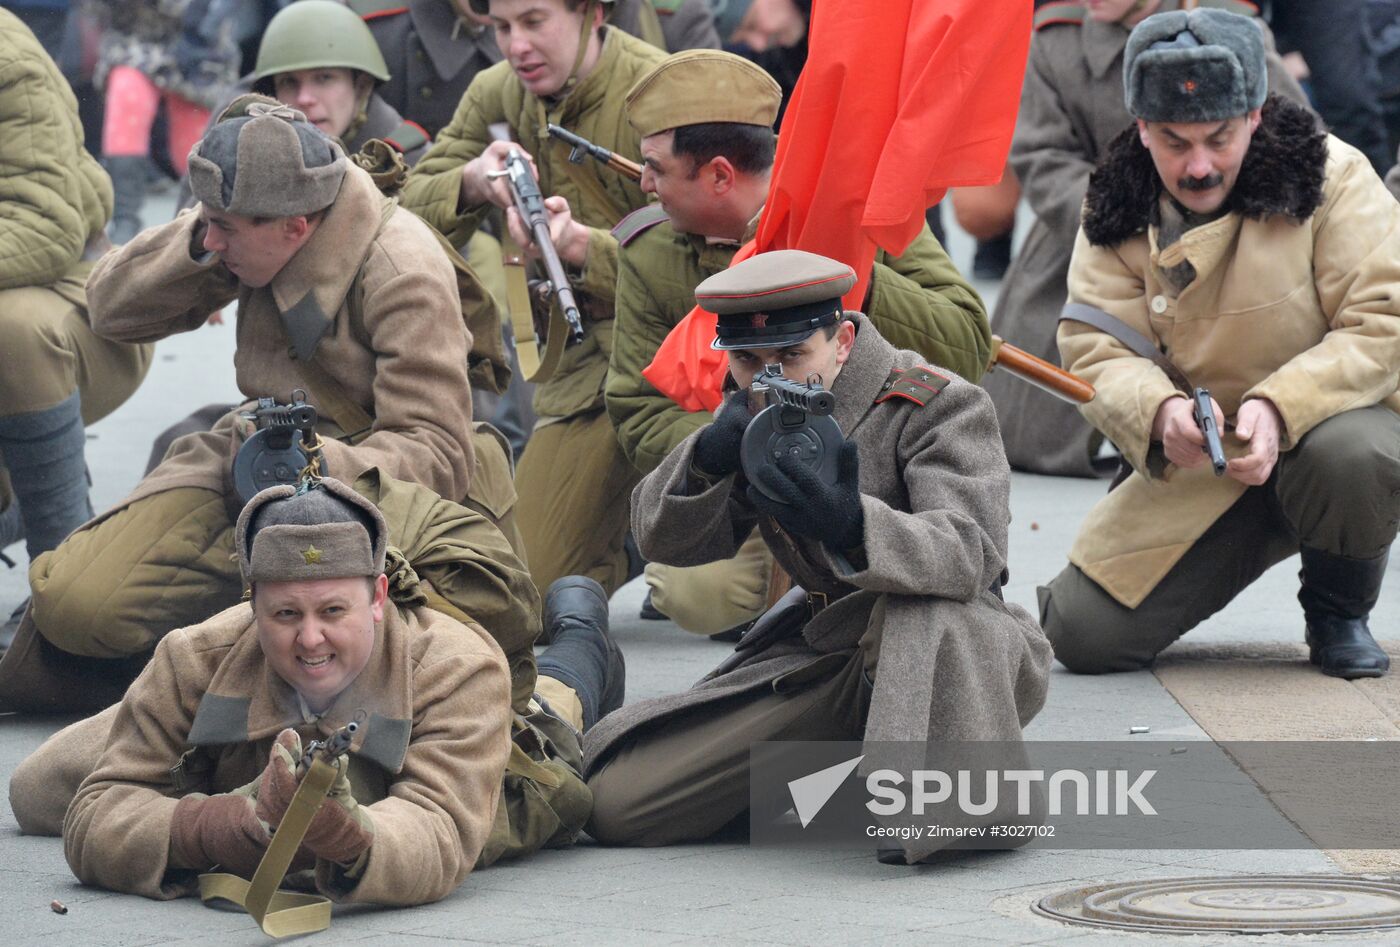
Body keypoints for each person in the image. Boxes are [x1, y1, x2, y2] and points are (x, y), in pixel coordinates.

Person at [0, 99, 486, 710]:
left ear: (295, 227)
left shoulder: (402, 268)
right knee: (71, 605)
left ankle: (221, 665)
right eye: (209, 220)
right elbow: (110, 309)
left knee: (344, 641)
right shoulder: (248, 233)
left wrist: (315, 470)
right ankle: (226, 654)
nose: (210, 238)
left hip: (367, 495)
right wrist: (205, 246)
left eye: (224, 228)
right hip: (248, 455)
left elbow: (440, 453)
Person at [584, 250, 1052, 861]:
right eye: (749, 360)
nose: (769, 377)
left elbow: (971, 554)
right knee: (618, 802)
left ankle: (956, 800)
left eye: (791, 356)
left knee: (924, 612)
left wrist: (853, 526)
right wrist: (708, 458)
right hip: (829, 652)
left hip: (950, 648)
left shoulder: (937, 404)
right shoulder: (758, 415)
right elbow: (661, 539)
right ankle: (855, 767)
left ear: (844, 340)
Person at [8, 478, 623, 903]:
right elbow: (94, 816)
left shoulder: (458, 669)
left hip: (498, 752)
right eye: (284, 615)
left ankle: (581, 640)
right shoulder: (196, 654)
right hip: (242, 726)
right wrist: (220, 827)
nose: (310, 640)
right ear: (250, 602)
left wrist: (353, 842)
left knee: (552, 715)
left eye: (334, 610)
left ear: (379, 598)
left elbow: (438, 831)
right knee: (35, 790)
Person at [1041, 8, 1400, 680]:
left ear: (1256, 116)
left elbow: (1385, 324)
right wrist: (1156, 413)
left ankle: (1337, 610)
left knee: (1353, 454)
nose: (1199, 165)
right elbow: (1093, 346)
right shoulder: (1115, 201)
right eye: (1174, 141)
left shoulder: (1334, 176)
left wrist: (1278, 406)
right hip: (1205, 457)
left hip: (1327, 431)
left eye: (1219, 138)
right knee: (1080, 635)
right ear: (1141, 127)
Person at [605, 49, 992, 635]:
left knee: (913, 595)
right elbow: (637, 405)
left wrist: (839, 265)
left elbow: (967, 343)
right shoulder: (649, 249)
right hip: (746, 481)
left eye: (656, 166)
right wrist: (734, 449)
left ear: (717, 174)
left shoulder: (858, 208)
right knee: (695, 596)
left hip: (876, 473)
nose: (643, 182)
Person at [401, 0, 665, 599]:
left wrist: (581, 247)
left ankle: (663, 537)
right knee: (532, 590)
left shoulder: (657, 90)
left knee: (710, 597)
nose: (515, 44)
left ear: (593, 13)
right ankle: (615, 539)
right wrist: (472, 181)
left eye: (534, 21)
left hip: (678, 361)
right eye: (501, 27)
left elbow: (712, 251)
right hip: (580, 370)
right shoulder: (497, 94)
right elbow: (403, 212)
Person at [984, 0, 1306, 478]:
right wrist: (1134, 217)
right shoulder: (1056, 40)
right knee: (1040, 413)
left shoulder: (1236, 29)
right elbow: (1042, 157)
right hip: (1089, 239)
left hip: (1227, 244)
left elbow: (1292, 135)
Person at [0, 10, 153, 631]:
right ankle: (19, 490)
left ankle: (61, 584)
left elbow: (47, 222)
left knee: (13, 328)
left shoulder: (9, 64)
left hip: (78, 309)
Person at [87, 0, 241, 243]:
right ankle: (125, 220)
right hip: (135, 39)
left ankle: (205, 225)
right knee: (127, 96)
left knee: (197, 148)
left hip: (200, 42)